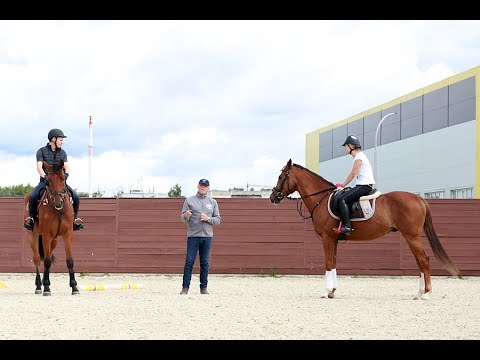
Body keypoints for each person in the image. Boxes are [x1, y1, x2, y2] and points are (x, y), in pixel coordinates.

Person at [23, 128, 85, 232]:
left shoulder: (63, 153)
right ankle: (32, 219)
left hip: (60, 183)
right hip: (45, 181)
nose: (62, 142)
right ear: (53, 139)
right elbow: (39, 167)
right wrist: (45, 177)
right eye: (60, 140)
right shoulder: (41, 151)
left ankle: (74, 220)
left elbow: (67, 166)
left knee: (76, 197)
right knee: (33, 196)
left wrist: (66, 174)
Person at [179, 178, 221, 295]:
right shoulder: (189, 200)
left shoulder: (213, 202)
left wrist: (208, 219)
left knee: (205, 262)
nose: (203, 187)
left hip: (207, 237)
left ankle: (204, 288)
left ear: (208, 188)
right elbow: (182, 218)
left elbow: (218, 220)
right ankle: (185, 288)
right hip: (193, 236)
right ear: (198, 186)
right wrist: (186, 215)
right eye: (201, 185)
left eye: (205, 186)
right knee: (189, 261)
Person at [335, 134, 375, 235]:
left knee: (341, 199)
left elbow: (353, 173)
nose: (345, 148)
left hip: (364, 186)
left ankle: (347, 226)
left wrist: (342, 185)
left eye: (345, 146)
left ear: (351, 146)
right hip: (363, 185)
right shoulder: (360, 156)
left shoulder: (359, 157)